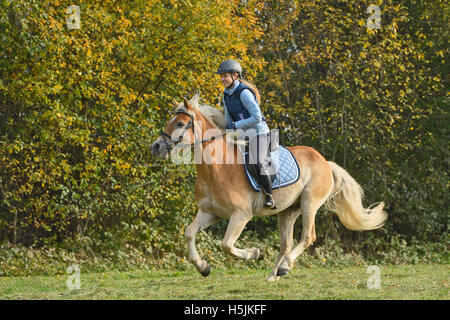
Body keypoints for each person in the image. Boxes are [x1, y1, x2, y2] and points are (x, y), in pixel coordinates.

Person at [217, 59, 277, 209]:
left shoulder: (244, 93)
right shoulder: (226, 95)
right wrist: (223, 131)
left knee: (256, 161)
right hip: (243, 135)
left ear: (235, 76)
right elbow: (228, 119)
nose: (222, 79)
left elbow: (257, 117)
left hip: (259, 132)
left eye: (225, 76)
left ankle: (269, 196)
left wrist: (235, 125)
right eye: (221, 76)